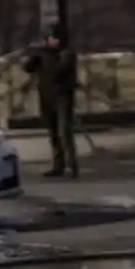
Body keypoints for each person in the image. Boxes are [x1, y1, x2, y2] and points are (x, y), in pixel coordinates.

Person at [23, 25, 79, 178]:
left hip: (62, 97)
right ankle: (58, 164)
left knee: (64, 132)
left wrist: (46, 55)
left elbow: (59, 71)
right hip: (47, 97)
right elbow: (28, 68)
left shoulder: (66, 54)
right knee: (53, 132)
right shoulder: (44, 55)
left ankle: (71, 165)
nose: (49, 41)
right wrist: (34, 57)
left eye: (52, 38)